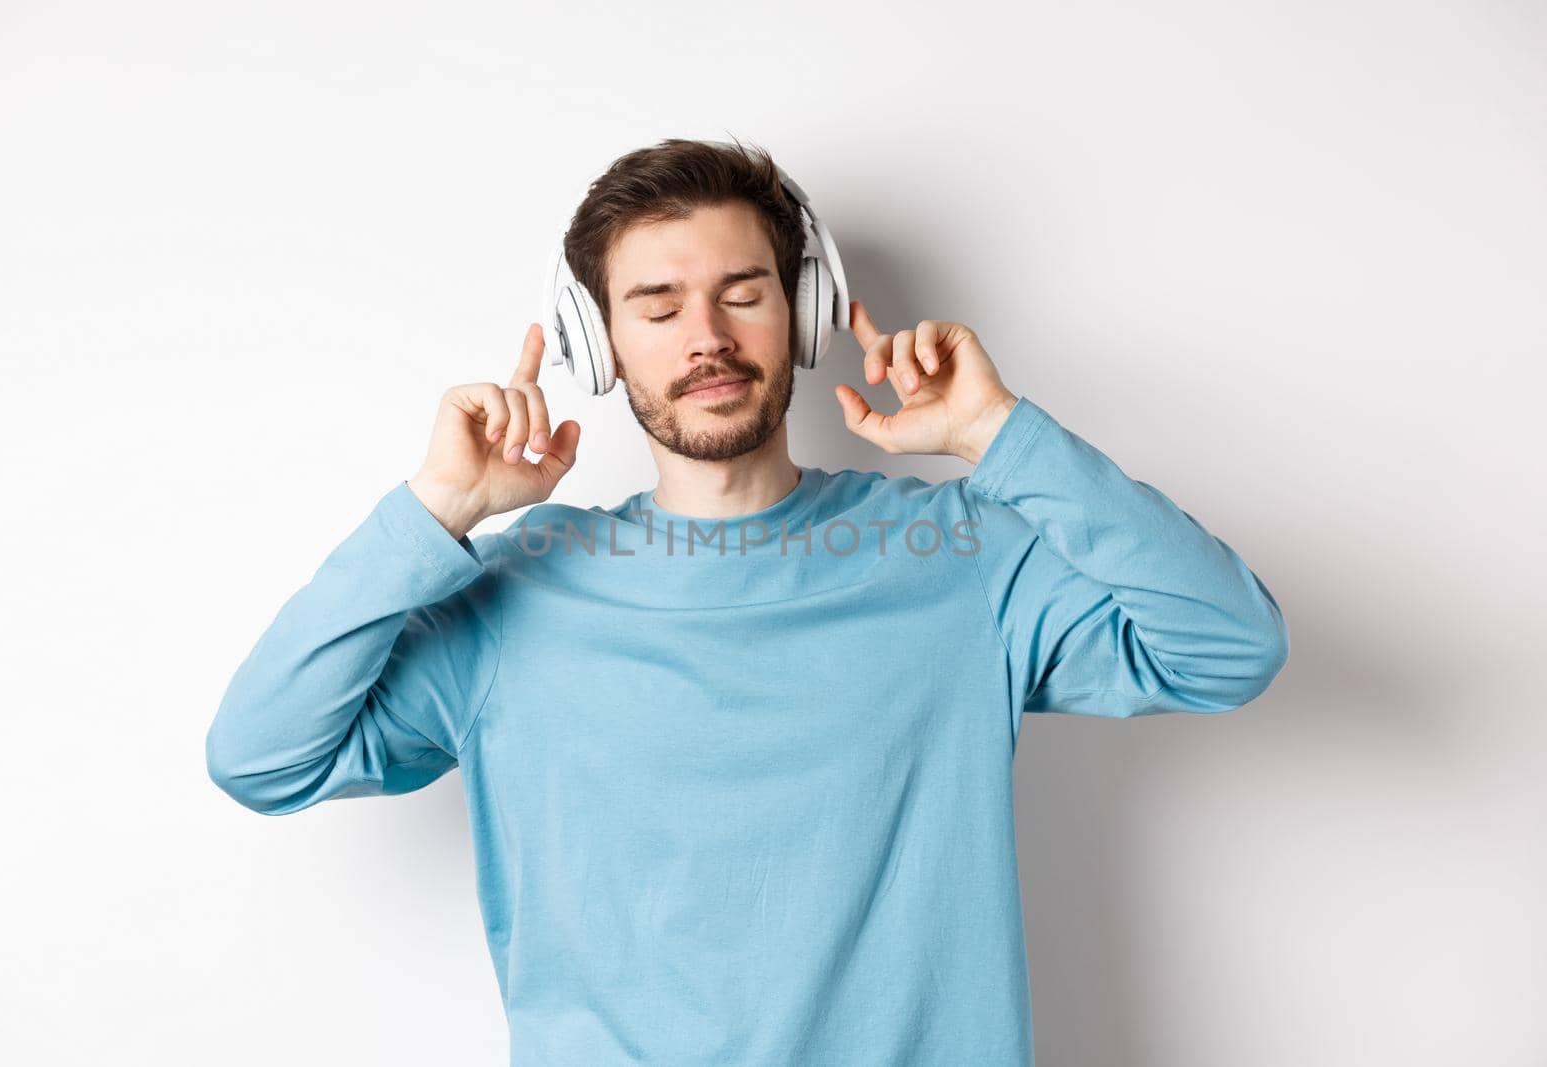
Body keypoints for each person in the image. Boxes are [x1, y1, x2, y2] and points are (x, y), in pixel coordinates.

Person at [206, 138, 1289, 1066]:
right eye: (657, 304)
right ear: (599, 344)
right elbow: (262, 756)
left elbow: (1228, 644)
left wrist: (1002, 438)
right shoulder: (515, 591)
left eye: (742, 291)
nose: (706, 336)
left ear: (802, 311)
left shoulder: (958, 554)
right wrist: (435, 510)